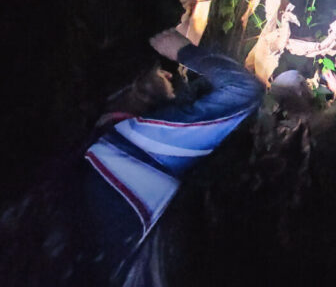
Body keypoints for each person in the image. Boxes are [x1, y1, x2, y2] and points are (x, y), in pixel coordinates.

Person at [82, 28, 264, 285]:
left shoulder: (103, 146)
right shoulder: (136, 141)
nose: (168, 74)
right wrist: (183, 51)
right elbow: (244, 90)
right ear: (139, 88)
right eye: (157, 72)